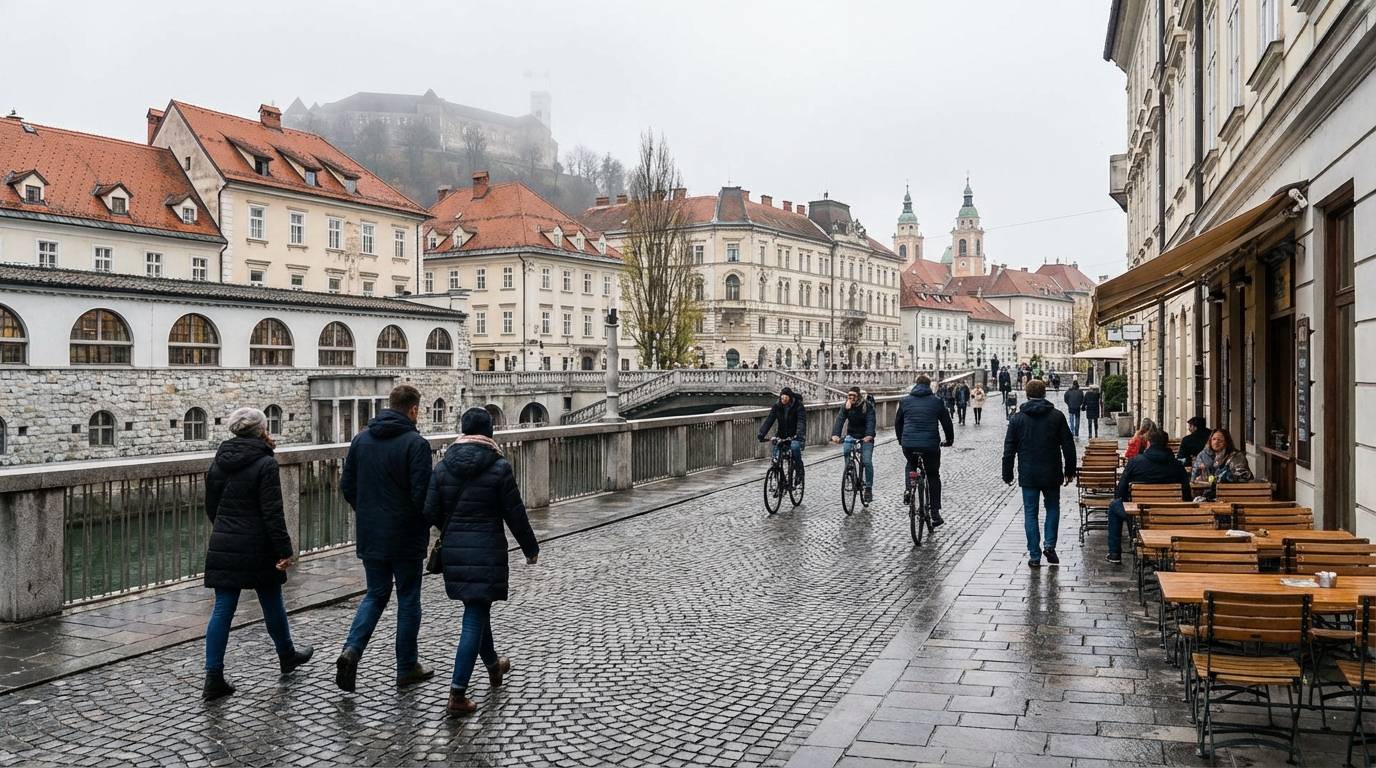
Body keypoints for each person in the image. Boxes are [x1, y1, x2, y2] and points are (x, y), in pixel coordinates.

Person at [424, 408, 539, 715]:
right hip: (486, 550)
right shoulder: (498, 466)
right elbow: (515, 512)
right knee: (475, 615)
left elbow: (430, 511)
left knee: (477, 608)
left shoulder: (443, 466)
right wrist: (530, 548)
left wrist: (453, 523)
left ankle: (493, 665)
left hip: (455, 552)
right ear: (490, 433)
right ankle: (457, 694)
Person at [201, 407, 312, 701]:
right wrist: (285, 550)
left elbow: (211, 506)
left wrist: (226, 529)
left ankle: (213, 677)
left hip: (225, 541)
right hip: (259, 543)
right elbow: (272, 513)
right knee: (271, 599)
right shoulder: (265, 463)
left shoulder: (219, 460)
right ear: (261, 431)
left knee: (223, 608)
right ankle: (287, 655)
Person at [336, 384, 436, 692]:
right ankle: (406, 666)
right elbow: (423, 495)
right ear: (414, 410)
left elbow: (346, 486)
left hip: (372, 533)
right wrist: (431, 523)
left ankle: (352, 649)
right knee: (407, 599)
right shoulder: (415, 444)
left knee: (376, 594)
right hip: (405, 536)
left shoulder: (361, 440)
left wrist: (367, 512)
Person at [1003, 380, 1076, 568]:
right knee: (1052, 508)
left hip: (1028, 472)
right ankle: (1050, 545)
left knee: (1030, 513)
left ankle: (1034, 555)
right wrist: (1070, 470)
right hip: (1051, 471)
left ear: (1027, 394)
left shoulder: (1017, 419)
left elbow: (1009, 448)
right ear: (1045, 393)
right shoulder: (1057, 416)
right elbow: (1068, 444)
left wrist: (1007, 473)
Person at [1105, 427, 1190, 564]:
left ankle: (1115, 552)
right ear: (1166, 443)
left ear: (1148, 442)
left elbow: (1121, 489)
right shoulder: (1176, 465)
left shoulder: (1136, 462)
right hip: (1170, 513)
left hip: (1141, 512)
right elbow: (1186, 491)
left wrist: (1127, 502)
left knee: (1114, 505)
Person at [894, 374, 955, 526]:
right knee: (933, 475)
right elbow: (947, 423)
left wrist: (902, 440)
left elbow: (898, 423)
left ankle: (909, 489)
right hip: (929, 445)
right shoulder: (936, 401)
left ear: (915, 385)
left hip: (909, 444)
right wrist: (949, 439)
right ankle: (935, 513)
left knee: (911, 464)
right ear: (929, 386)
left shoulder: (905, 401)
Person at [831, 387, 877, 504]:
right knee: (846, 451)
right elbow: (840, 420)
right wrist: (836, 434)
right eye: (849, 396)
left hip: (865, 436)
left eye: (853, 396)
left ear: (858, 396)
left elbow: (871, 421)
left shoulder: (867, 406)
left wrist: (869, 435)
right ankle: (849, 472)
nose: (850, 398)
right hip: (851, 434)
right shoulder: (846, 406)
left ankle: (868, 488)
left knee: (866, 461)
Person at [758, 386, 807, 483]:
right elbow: (770, 420)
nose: (783, 400)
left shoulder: (798, 406)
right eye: (782, 397)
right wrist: (761, 433)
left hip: (794, 436)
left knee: (795, 449)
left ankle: (799, 472)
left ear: (790, 398)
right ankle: (779, 480)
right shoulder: (777, 406)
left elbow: (801, 422)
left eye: (785, 398)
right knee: (776, 457)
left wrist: (799, 435)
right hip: (781, 435)